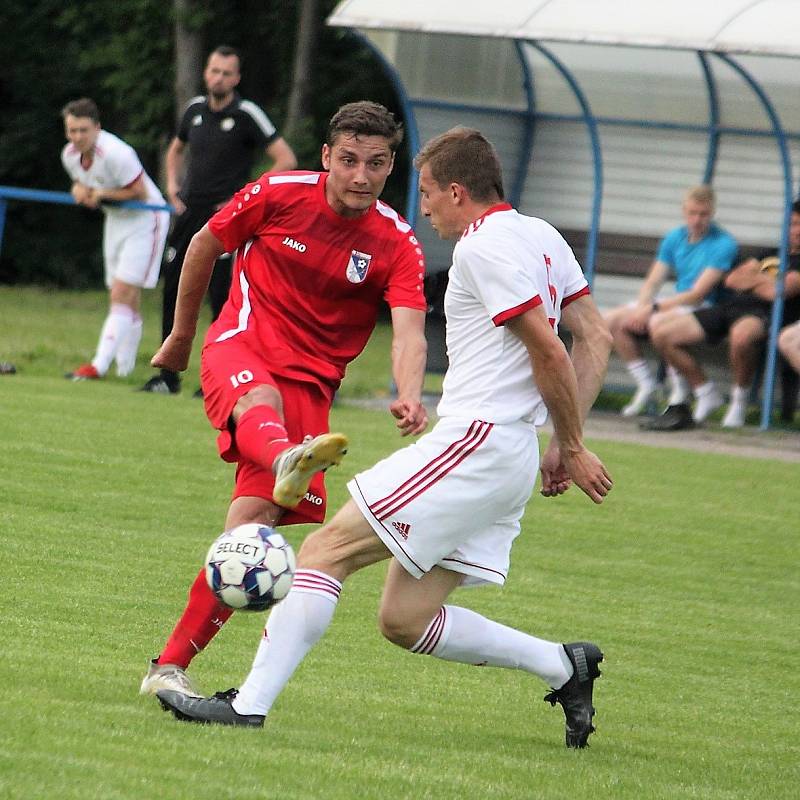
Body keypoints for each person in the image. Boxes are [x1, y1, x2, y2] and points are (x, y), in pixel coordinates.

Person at [156, 127, 614, 749]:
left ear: (457, 191)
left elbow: (550, 352)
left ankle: (249, 705)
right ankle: (565, 666)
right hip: (510, 459)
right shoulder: (542, 235)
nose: (421, 207)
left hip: (476, 441)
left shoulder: (483, 248)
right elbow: (596, 338)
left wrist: (575, 442)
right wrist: (560, 439)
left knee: (322, 553)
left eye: (426, 193)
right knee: (405, 620)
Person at [139, 101, 429, 697]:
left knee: (248, 532)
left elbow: (408, 329)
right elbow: (202, 244)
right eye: (348, 160)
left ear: (389, 167)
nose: (360, 175)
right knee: (259, 400)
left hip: (311, 390)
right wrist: (182, 335)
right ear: (326, 157)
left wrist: (408, 393)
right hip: (242, 345)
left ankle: (167, 668)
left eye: (375, 164)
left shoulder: (397, 241)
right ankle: (284, 459)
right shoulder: (276, 192)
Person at [140, 45, 297, 395]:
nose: (218, 78)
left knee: (222, 297)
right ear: (206, 73)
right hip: (189, 212)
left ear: (236, 78)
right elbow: (176, 148)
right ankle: (167, 376)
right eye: (214, 71)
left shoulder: (246, 114)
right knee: (174, 289)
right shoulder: (194, 109)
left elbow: (285, 159)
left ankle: (217, 377)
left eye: (226, 73)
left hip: (225, 217)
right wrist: (172, 186)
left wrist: (245, 198)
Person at [650, 200, 800, 429]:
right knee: (663, 333)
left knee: (742, 336)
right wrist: (764, 281)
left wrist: (754, 280)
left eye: (798, 224)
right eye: (791, 224)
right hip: (731, 307)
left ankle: (739, 402)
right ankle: (705, 391)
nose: (794, 230)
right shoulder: (772, 253)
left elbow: (777, 292)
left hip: (765, 315)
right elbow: (732, 279)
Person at [604, 185, 738, 421]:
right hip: (676, 303)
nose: (697, 220)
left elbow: (697, 294)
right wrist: (643, 306)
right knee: (611, 320)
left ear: (712, 212)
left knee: (658, 322)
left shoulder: (723, 243)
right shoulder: (675, 237)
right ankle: (647, 384)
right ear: (684, 211)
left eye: (703, 214)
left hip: (705, 306)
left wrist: (651, 310)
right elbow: (653, 281)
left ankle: (682, 392)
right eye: (692, 213)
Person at [61, 98, 169, 381]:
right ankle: (125, 371)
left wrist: (101, 194)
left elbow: (140, 192)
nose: (78, 137)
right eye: (72, 130)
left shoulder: (117, 153)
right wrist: (79, 191)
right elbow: (86, 186)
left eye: (83, 130)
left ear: (97, 128)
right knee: (125, 298)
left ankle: (98, 365)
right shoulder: (69, 155)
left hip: (146, 217)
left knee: (121, 293)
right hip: (116, 221)